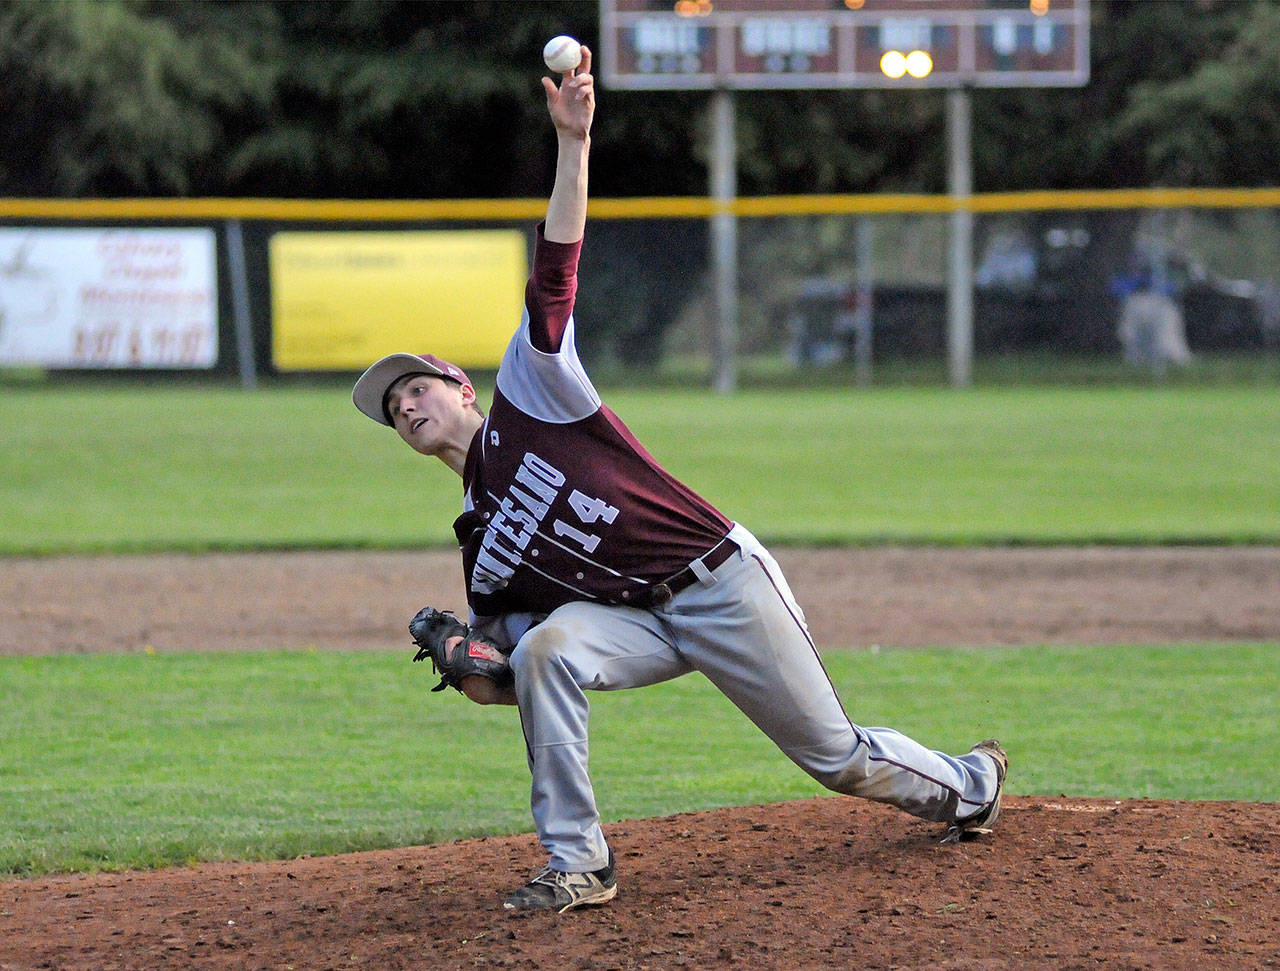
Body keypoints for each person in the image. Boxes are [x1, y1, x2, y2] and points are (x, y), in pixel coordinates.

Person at [352, 46, 1007, 915]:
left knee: (834, 756)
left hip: (719, 581)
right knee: (547, 646)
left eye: (417, 385)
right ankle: (580, 861)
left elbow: (556, 265)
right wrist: (468, 660)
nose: (405, 405)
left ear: (462, 388)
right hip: (638, 624)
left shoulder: (533, 393)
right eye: (391, 405)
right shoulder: (481, 545)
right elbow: (506, 677)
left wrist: (574, 142)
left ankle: (969, 785)